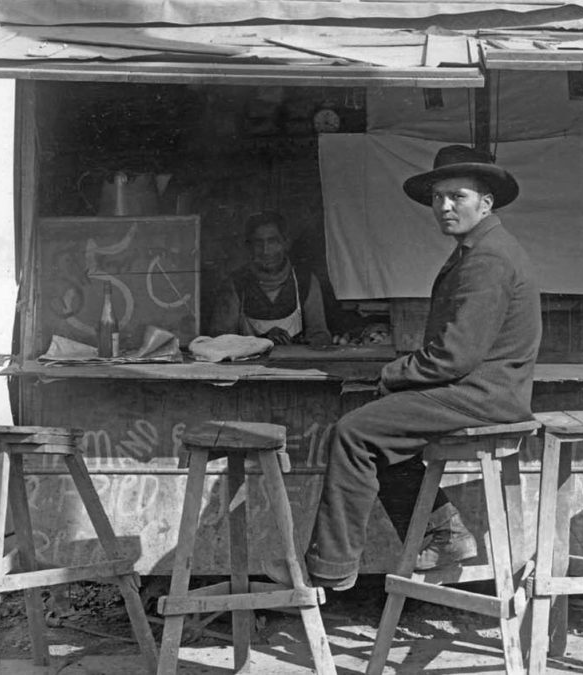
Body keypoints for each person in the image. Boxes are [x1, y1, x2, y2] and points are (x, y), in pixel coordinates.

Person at [286, 145, 542, 591]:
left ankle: (329, 569)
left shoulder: (488, 259)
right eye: (437, 197)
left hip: (485, 396)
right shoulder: (479, 249)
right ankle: (443, 534)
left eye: (456, 196)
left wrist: (391, 374)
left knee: (355, 431)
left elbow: (452, 358)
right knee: (372, 420)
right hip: (483, 391)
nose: (443, 206)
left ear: (486, 202)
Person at [209, 211, 336, 348]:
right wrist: (263, 341)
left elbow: (320, 334)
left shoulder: (305, 281)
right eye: (258, 243)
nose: (265, 251)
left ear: (285, 243)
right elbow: (219, 340)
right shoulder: (235, 284)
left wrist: (301, 343)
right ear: (249, 247)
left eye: (273, 241)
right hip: (247, 367)